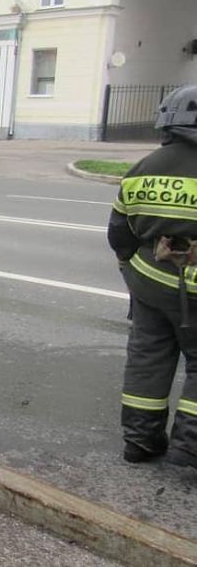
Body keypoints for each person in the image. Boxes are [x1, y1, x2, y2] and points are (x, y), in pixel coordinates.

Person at [108, 84, 197, 467]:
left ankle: (141, 442)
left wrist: (133, 272)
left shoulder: (143, 167)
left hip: (149, 284)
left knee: (148, 359)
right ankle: (190, 447)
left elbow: (119, 232)